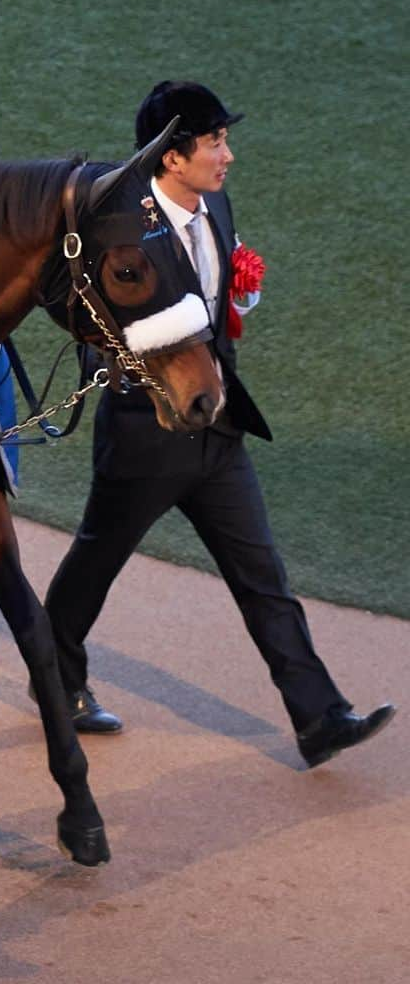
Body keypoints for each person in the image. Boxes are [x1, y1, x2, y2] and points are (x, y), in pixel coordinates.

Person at [44, 81, 395, 768]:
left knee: (262, 573)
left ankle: (320, 718)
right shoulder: (120, 226)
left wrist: (240, 293)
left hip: (218, 426)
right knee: (96, 561)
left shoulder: (217, 208)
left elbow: (211, 312)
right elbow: (84, 314)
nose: (227, 155)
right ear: (172, 156)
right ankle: (57, 679)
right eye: (214, 143)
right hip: (146, 431)